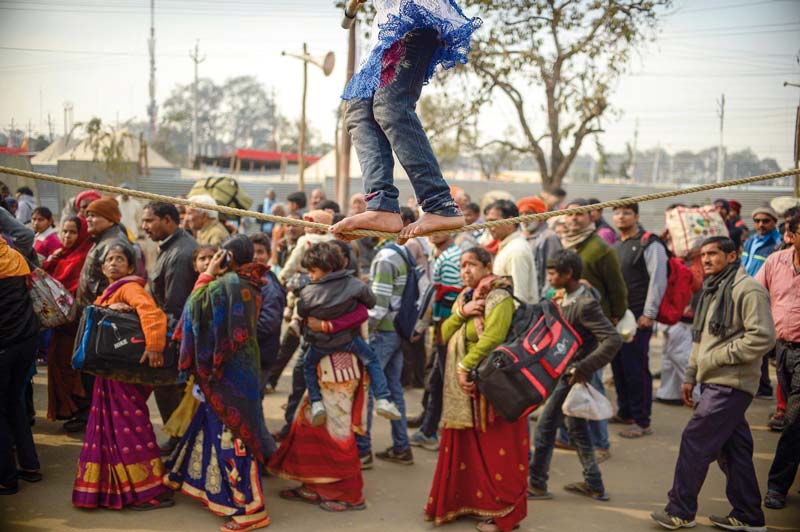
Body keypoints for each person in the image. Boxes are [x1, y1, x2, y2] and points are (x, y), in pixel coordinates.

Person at [329, 1, 481, 241]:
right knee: (359, 111)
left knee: (390, 106)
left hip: (413, 16)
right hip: (385, 26)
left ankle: (440, 204)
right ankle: (381, 206)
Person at [651, 236, 773, 532]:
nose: (706, 260)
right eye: (703, 255)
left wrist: (718, 357)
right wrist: (691, 375)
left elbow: (763, 336)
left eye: (713, 254)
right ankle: (748, 515)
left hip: (732, 382)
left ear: (732, 257)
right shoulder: (712, 289)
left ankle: (680, 510)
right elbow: (700, 340)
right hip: (713, 380)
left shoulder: (748, 289)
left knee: (695, 440)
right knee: (735, 450)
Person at [164, 235, 272, 532]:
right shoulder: (250, 284)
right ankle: (210, 489)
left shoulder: (226, 287)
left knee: (233, 439)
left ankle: (252, 510)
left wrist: (207, 273)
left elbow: (192, 310)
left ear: (227, 257)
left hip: (225, 375)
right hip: (241, 371)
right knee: (215, 430)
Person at [425, 246, 526, 532]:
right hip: (467, 386)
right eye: (461, 266)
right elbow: (444, 333)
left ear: (487, 266)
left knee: (496, 448)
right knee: (471, 448)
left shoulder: (499, 296)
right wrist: (462, 312)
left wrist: (463, 366)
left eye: (471, 265)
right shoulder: (466, 297)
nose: (465, 271)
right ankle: (468, 502)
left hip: (491, 386)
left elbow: (493, 338)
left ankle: (503, 513)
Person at [72, 242, 172, 510]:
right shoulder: (109, 291)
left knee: (131, 427)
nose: (114, 263)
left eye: (120, 259)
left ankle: (142, 491)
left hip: (123, 374)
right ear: (103, 267)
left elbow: (152, 314)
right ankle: (120, 489)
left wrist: (153, 347)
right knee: (116, 429)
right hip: (110, 374)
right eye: (109, 260)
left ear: (130, 267)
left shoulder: (130, 288)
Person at [528, 250, 622, 503]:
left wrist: (582, 367)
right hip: (565, 372)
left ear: (568, 274)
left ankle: (537, 484)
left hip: (571, 376)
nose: (548, 278)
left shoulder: (585, 304)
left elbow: (612, 339)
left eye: (552, 273)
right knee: (577, 429)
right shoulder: (567, 296)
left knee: (545, 429)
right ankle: (594, 484)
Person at [296, 241, 401, 426]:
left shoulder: (307, 292)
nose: (310, 276)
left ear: (327, 268)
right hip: (349, 341)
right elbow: (371, 302)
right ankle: (383, 398)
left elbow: (302, 311)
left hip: (320, 344)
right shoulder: (355, 285)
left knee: (307, 366)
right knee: (372, 360)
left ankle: (316, 402)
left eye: (312, 271)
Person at [141, 201, 198, 454]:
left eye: (149, 221)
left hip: (175, 334)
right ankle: (179, 441)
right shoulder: (170, 246)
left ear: (167, 220)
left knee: (170, 389)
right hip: (169, 329)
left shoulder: (181, 253)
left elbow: (175, 306)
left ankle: (180, 443)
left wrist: (161, 343)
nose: (144, 227)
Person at [611, 202, 667, 438]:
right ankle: (625, 412)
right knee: (619, 368)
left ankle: (642, 421)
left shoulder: (649, 243)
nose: (621, 217)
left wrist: (649, 313)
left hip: (638, 318)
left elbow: (658, 279)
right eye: (617, 213)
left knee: (636, 370)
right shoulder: (617, 245)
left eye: (626, 213)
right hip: (617, 319)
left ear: (636, 216)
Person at [355, 238, 413, 467]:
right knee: (392, 388)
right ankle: (401, 446)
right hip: (397, 330)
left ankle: (363, 450)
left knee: (368, 389)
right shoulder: (402, 252)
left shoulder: (385, 257)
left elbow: (378, 307)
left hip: (382, 332)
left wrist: (363, 334)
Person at [756, 213, 800, 510]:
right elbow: (756, 294)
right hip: (781, 351)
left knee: (794, 421)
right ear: (792, 235)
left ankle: (777, 487)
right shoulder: (776, 262)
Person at [410, 232, 462, 450]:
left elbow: (442, 298)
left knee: (442, 380)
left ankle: (432, 431)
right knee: (437, 379)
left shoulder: (451, 259)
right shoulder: (440, 253)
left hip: (446, 329)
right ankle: (429, 428)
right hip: (443, 328)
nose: (433, 234)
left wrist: (423, 326)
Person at [41, 216, 93, 426]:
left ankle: (81, 412)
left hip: (75, 326)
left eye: (72, 232)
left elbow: (76, 292)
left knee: (74, 370)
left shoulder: (84, 256)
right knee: (59, 365)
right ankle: (69, 410)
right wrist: (53, 259)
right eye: (64, 231)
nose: (67, 236)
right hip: (60, 325)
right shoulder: (62, 255)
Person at [0, 236, 41, 495]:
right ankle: (30, 466)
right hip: (26, 340)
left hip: (4, 344)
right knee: (14, 402)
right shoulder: (15, 256)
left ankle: (6, 478)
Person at [741, 206, 782, 399]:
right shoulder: (750, 241)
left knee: (761, 343)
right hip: (747, 295)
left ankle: (764, 386)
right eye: (757, 221)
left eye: (765, 221)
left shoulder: (778, 244)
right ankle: (758, 383)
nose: (760, 225)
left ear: (774, 222)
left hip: (765, 299)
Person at [483, 199, 539, 304]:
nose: (490, 227)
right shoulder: (507, 246)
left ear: (510, 222)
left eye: (493, 221)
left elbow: (519, 296)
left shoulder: (517, 250)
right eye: (487, 222)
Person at [250, 232, 286, 392]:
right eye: (252, 252)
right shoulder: (252, 279)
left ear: (269, 255)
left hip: (260, 354)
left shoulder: (269, 285)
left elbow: (268, 322)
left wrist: (243, 337)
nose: (255, 257)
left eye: (260, 252)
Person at [518, 196, 562, 296]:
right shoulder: (519, 237)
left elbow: (553, 270)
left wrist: (546, 297)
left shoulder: (549, 237)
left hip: (540, 296)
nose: (524, 218)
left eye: (529, 213)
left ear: (540, 216)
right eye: (521, 214)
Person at [278, 210, 335, 284]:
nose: (305, 226)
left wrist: (281, 278)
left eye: (309, 223)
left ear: (320, 228)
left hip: (307, 279)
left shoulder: (305, 240)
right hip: (329, 280)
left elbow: (292, 264)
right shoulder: (333, 241)